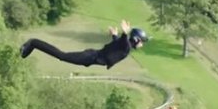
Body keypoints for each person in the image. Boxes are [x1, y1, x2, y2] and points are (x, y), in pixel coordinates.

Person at [19, 19, 148, 69]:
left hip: (91, 58)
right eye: (142, 42)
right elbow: (124, 43)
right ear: (136, 40)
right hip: (91, 57)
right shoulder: (126, 48)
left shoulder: (123, 46)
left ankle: (29, 48)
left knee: (62, 56)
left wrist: (114, 35)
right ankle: (33, 43)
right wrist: (125, 33)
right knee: (61, 56)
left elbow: (117, 43)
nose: (142, 45)